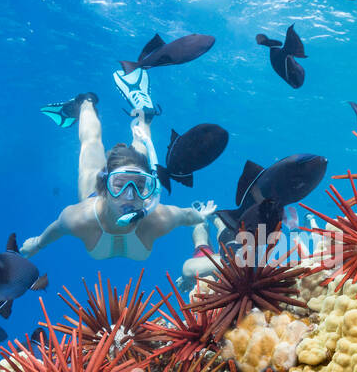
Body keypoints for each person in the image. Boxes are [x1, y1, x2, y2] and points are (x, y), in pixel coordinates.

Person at [21, 73, 214, 260]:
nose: (129, 195)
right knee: (92, 144)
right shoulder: (78, 218)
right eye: (119, 184)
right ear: (103, 185)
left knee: (122, 150)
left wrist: (201, 216)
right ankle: (87, 103)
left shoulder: (159, 219)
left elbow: (186, 216)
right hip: (92, 196)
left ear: (149, 188)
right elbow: (57, 228)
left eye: (139, 186)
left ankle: (140, 116)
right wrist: (37, 243)